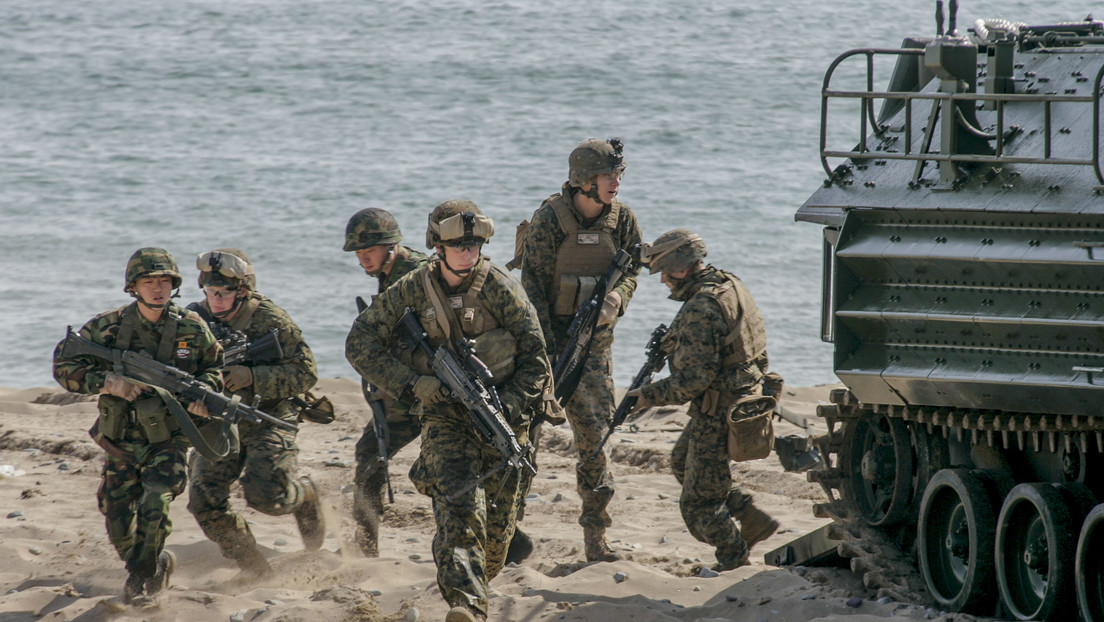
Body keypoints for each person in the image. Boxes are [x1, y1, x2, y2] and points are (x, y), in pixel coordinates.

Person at [346, 200, 555, 622]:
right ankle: (468, 608)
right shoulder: (412, 287)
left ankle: (476, 585)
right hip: (445, 418)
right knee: (459, 515)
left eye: (475, 243)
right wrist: (414, 385)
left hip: (505, 419)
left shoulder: (501, 288)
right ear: (437, 246)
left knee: (496, 538)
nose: (468, 252)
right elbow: (360, 343)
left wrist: (511, 405)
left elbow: (536, 357)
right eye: (458, 244)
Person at [52, 248, 221, 604]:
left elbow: (212, 369)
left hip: (169, 438)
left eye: (164, 281)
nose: (158, 288)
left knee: (156, 502)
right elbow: (65, 366)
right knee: (116, 519)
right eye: (149, 281)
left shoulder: (192, 326)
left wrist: (205, 395)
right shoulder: (107, 327)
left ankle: (141, 582)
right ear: (134, 286)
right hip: (122, 438)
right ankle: (152, 563)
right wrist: (109, 382)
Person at [518, 137, 642, 562]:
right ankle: (507, 530)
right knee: (522, 439)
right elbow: (531, 290)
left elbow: (633, 267)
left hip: (595, 350)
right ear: (584, 181)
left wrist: (618, 299)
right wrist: (545, 356)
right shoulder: (549, 221)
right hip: (546, 348)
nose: (616, 183)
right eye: (609, 175)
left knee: (595, 441)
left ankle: (596, 538)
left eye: (619, 174)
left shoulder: (622, 220)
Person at [626, 229, 780, 571]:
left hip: (718, 412)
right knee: (682, 461)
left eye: (666, 273)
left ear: (681, 268)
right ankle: (750, 516)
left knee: (698, 506)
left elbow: (692, 382)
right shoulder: (729, 284)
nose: (664, 281)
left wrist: (645, 397)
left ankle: (733, 557)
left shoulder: (701, 307)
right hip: (745, 399)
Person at [185, 248, 324, 577]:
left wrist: (253, 377)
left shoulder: (270, 320)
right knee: (203, 500)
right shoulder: (194, 320)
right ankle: (253, 566)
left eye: (223, 293)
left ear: (242, 290)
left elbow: (306, 373)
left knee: (266, 496)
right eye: (210, 292)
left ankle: (305, 496)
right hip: (221, 422)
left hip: (270, 418)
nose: (215, 300)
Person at [342, 208, 428, 556]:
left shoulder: (417, 275)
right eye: (359, 252)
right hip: (405, 390)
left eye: (370, 250)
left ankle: (508, 541)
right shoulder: (391, 273)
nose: (363, 258)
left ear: (391, 245)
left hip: (429, 389)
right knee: (369, 454)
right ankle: (365, 548)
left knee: (444, 469)